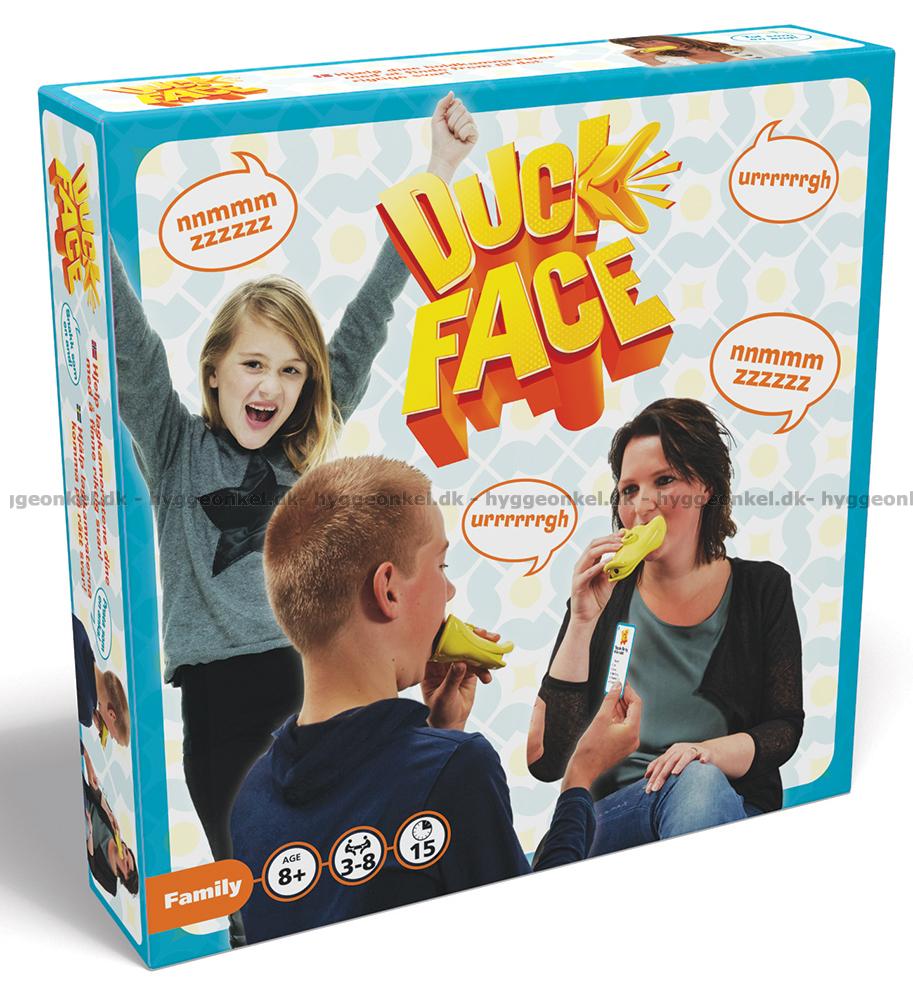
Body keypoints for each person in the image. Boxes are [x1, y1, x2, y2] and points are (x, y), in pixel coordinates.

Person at [109, 94, 479, 885]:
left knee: (347, 878)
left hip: (315, 682)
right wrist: (75, 207)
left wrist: (439, 170)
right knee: (256, 890)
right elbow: (128, 342)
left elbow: (371, 312)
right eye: (252, 364)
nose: (270, 386)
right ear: (213, 370)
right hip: (221, 703)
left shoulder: (303, 452)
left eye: (290, 369)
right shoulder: (174, 447)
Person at [230, 456, 642, 944]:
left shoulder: (251, 798)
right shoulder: (460, 769)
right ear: (388, 591)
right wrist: (580, 779)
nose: (449, 589)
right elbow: (533, 937)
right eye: (441, 565)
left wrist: (437, 734)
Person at [527, 397, 804, 856]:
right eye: (629, 490)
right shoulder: (600, 599)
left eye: (664, 481)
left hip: (724, 801)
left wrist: (706, 754)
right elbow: (547, 762)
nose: (642, 506)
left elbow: (785, 727)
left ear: (705, 487)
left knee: (697, 782)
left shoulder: (763, 588)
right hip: (617, 812)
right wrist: (580, 622)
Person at [82, 743, 138, 897]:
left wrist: (90, 832)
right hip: (85, 799)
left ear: (123, 877)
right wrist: (86, 756)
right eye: (128, 853)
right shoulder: (115, 831)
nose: (125, 856)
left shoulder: (110, 882)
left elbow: (92, 865)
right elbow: (96, 791)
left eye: (127, 865)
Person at [72, 614, 131, 746]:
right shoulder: (85, 711)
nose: (109, 735)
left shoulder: (85, 642)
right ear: (112, 715)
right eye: (113, 736)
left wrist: (93, 712)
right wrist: (90, 715)